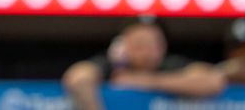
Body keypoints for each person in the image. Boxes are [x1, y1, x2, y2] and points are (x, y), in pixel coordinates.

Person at [62, 20, 227, 110]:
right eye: (140, 44)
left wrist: (146, 81)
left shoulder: (169, 64)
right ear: (123, 45)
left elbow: (214, 80)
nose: (148, 51)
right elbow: (77, 78)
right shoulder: (111, 64)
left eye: (155, 44)